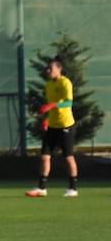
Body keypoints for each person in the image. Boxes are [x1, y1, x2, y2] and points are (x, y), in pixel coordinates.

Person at [26, 56, 78, 198]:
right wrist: (47, 119)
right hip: (53, 126)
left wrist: (53, 105)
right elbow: (51, 106)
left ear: (59, 69)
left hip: (66, 125)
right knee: (44, 156)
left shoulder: (65, 83)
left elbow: (68, 103)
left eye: (51, 68)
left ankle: (73, 189)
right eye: (47, 69)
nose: (48, 71)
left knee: (68, 157)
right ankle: (41, 188)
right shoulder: (48, 85)